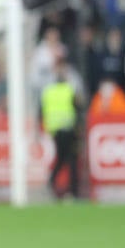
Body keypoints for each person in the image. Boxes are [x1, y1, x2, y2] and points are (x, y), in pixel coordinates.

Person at [42, 57, 85, 199]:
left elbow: (41, 111)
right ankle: (73, 191)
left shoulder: (49, 90)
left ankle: (53, 184)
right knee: (71, 160)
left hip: (57, 130)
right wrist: (80, 127)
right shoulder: (69, 89)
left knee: (63, 159)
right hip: (67, 129)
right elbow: (79, 108)